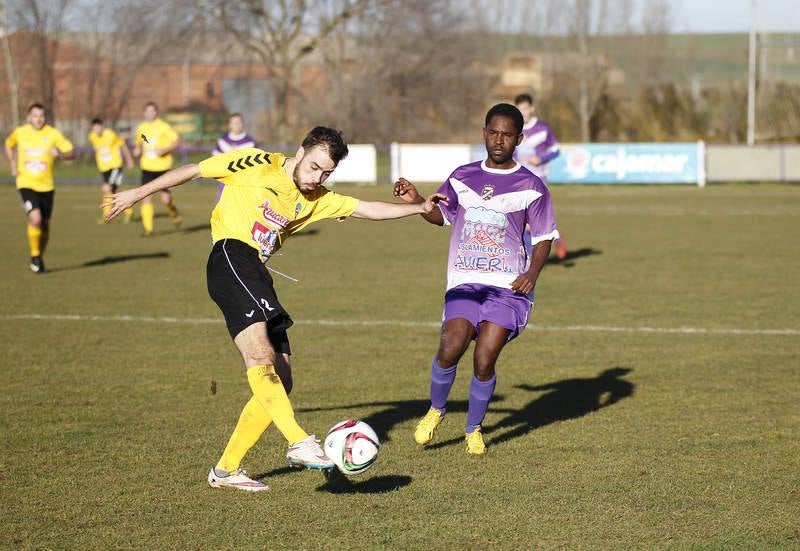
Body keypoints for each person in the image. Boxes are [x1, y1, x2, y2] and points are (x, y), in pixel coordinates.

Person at [103, 126, 446, 491]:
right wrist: (137, 193)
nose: (317, 178)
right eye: (314, 167)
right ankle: (298, 441)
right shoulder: (254, 162)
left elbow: (366, 208)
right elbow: (193, 170)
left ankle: (225, 470)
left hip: (257, 273)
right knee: (260, 356)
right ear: (300, 151)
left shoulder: (316, 199)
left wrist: (418, 208)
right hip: (231, 257)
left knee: (282, 376)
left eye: (326, 173)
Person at [393, 104, 559, 455]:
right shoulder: (462, 176)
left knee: (484, 357)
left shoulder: (532, 186)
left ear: (519, 139)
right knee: (450, 346)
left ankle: (473, 429)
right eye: (493, 132)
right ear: (484, 133)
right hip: (465, 281)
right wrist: (418, 201)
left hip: (508, 287)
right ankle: (436, 410)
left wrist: (532, 273)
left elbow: (545, 237)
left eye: (507, 135)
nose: (499, 140)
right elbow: (442, 215)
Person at [4, 103, 75, 273]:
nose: (39, 119)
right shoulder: (20, 132)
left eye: (41, 116)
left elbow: (72, 153)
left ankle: (39, 257)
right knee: (35, 219)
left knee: (44, 226)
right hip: (26, 184)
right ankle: (35, 255)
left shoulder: (53, 133)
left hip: (47, 186)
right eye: (35, 116)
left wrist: (60, 154)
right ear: (29, 117)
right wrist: (12, 163)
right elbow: (8, 144)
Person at [514, 92, 567, 260]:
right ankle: (530, 255)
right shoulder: (514, 129)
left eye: (525, 109)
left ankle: (553, 240)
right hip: (520, 179)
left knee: (532, 219)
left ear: (532, 108)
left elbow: (555, 150)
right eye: (519, 109)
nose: (523, 112)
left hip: (539, 179)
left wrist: (541, 158)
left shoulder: (543, 128)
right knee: (522, 218)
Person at [132, 102, 182, 235]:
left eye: (152, 111)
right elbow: (138, 143)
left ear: (156, 112)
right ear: (144, 113)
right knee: (145, 197)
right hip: (147, 168)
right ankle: (148, 229)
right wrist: (137, 150)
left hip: (162, 168)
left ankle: (174, 213)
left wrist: (164, 150)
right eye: (148, 111)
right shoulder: (141, 127)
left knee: (166, 199)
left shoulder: (164, 126)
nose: (150, 113)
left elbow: (176, 142)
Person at [88, 117, 134, 223]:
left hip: (115, 166)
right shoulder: (92, 136)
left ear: (102, 126)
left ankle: (106, 216)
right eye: (94, 128)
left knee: (107, 189)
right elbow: (97, 147)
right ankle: (129, 212)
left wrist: (129, 160)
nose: (96, 130)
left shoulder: (111, 135)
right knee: (114, 191)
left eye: (98, 128)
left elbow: (123, 145)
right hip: (104, 168)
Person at [211, 113, 258, 202]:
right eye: (234, 122)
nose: (236, 125)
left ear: (242, 124)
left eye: (238, 122)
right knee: (222, 206)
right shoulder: (222, 140)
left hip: (243, 182)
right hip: (225, 181)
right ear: (229, 125)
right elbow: (215, 158)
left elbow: (256, 163)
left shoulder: (250, 142)